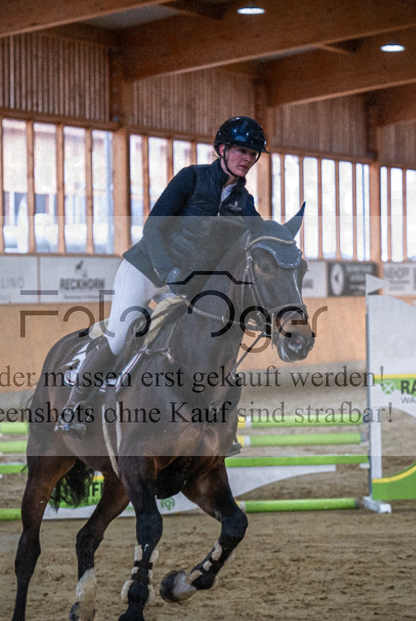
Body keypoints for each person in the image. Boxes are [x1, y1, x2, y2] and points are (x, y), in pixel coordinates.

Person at [55, 116, 268, 436]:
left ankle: (219, 427)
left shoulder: (244, 202)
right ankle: (74, 408)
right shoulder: (191, 179)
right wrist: (168, 271)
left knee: (211, 343)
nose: (247, 159)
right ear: (222, 149)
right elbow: (153, 227)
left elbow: (261, 238)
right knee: (119, 336)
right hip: (146, 269)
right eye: (241, 150)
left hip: (187, 284)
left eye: (253, 154)